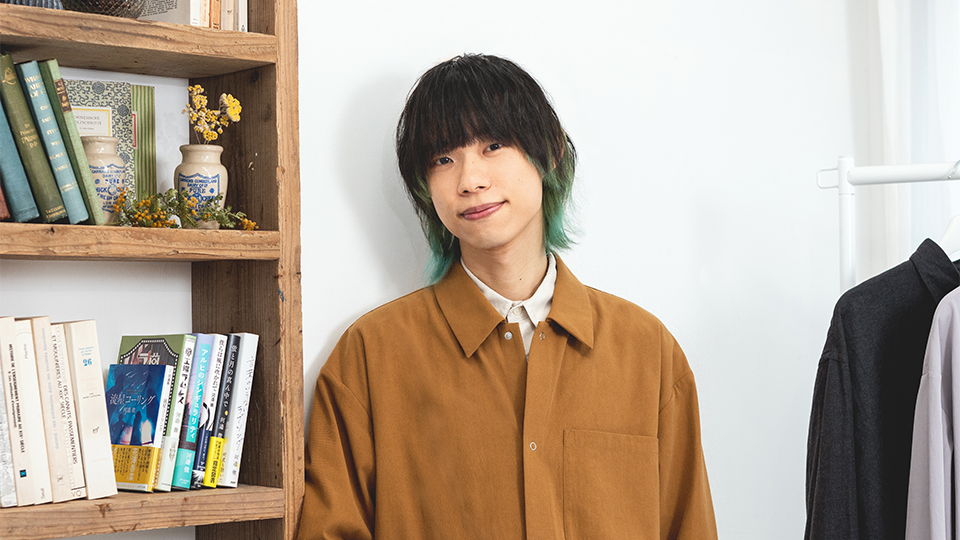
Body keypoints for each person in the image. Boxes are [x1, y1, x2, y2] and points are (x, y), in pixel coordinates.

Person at [297, 53, 717, 539]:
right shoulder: (371, 356)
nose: (470, 180)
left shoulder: (647, 351)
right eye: (443, 159)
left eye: (493, 145)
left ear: (550, 153)